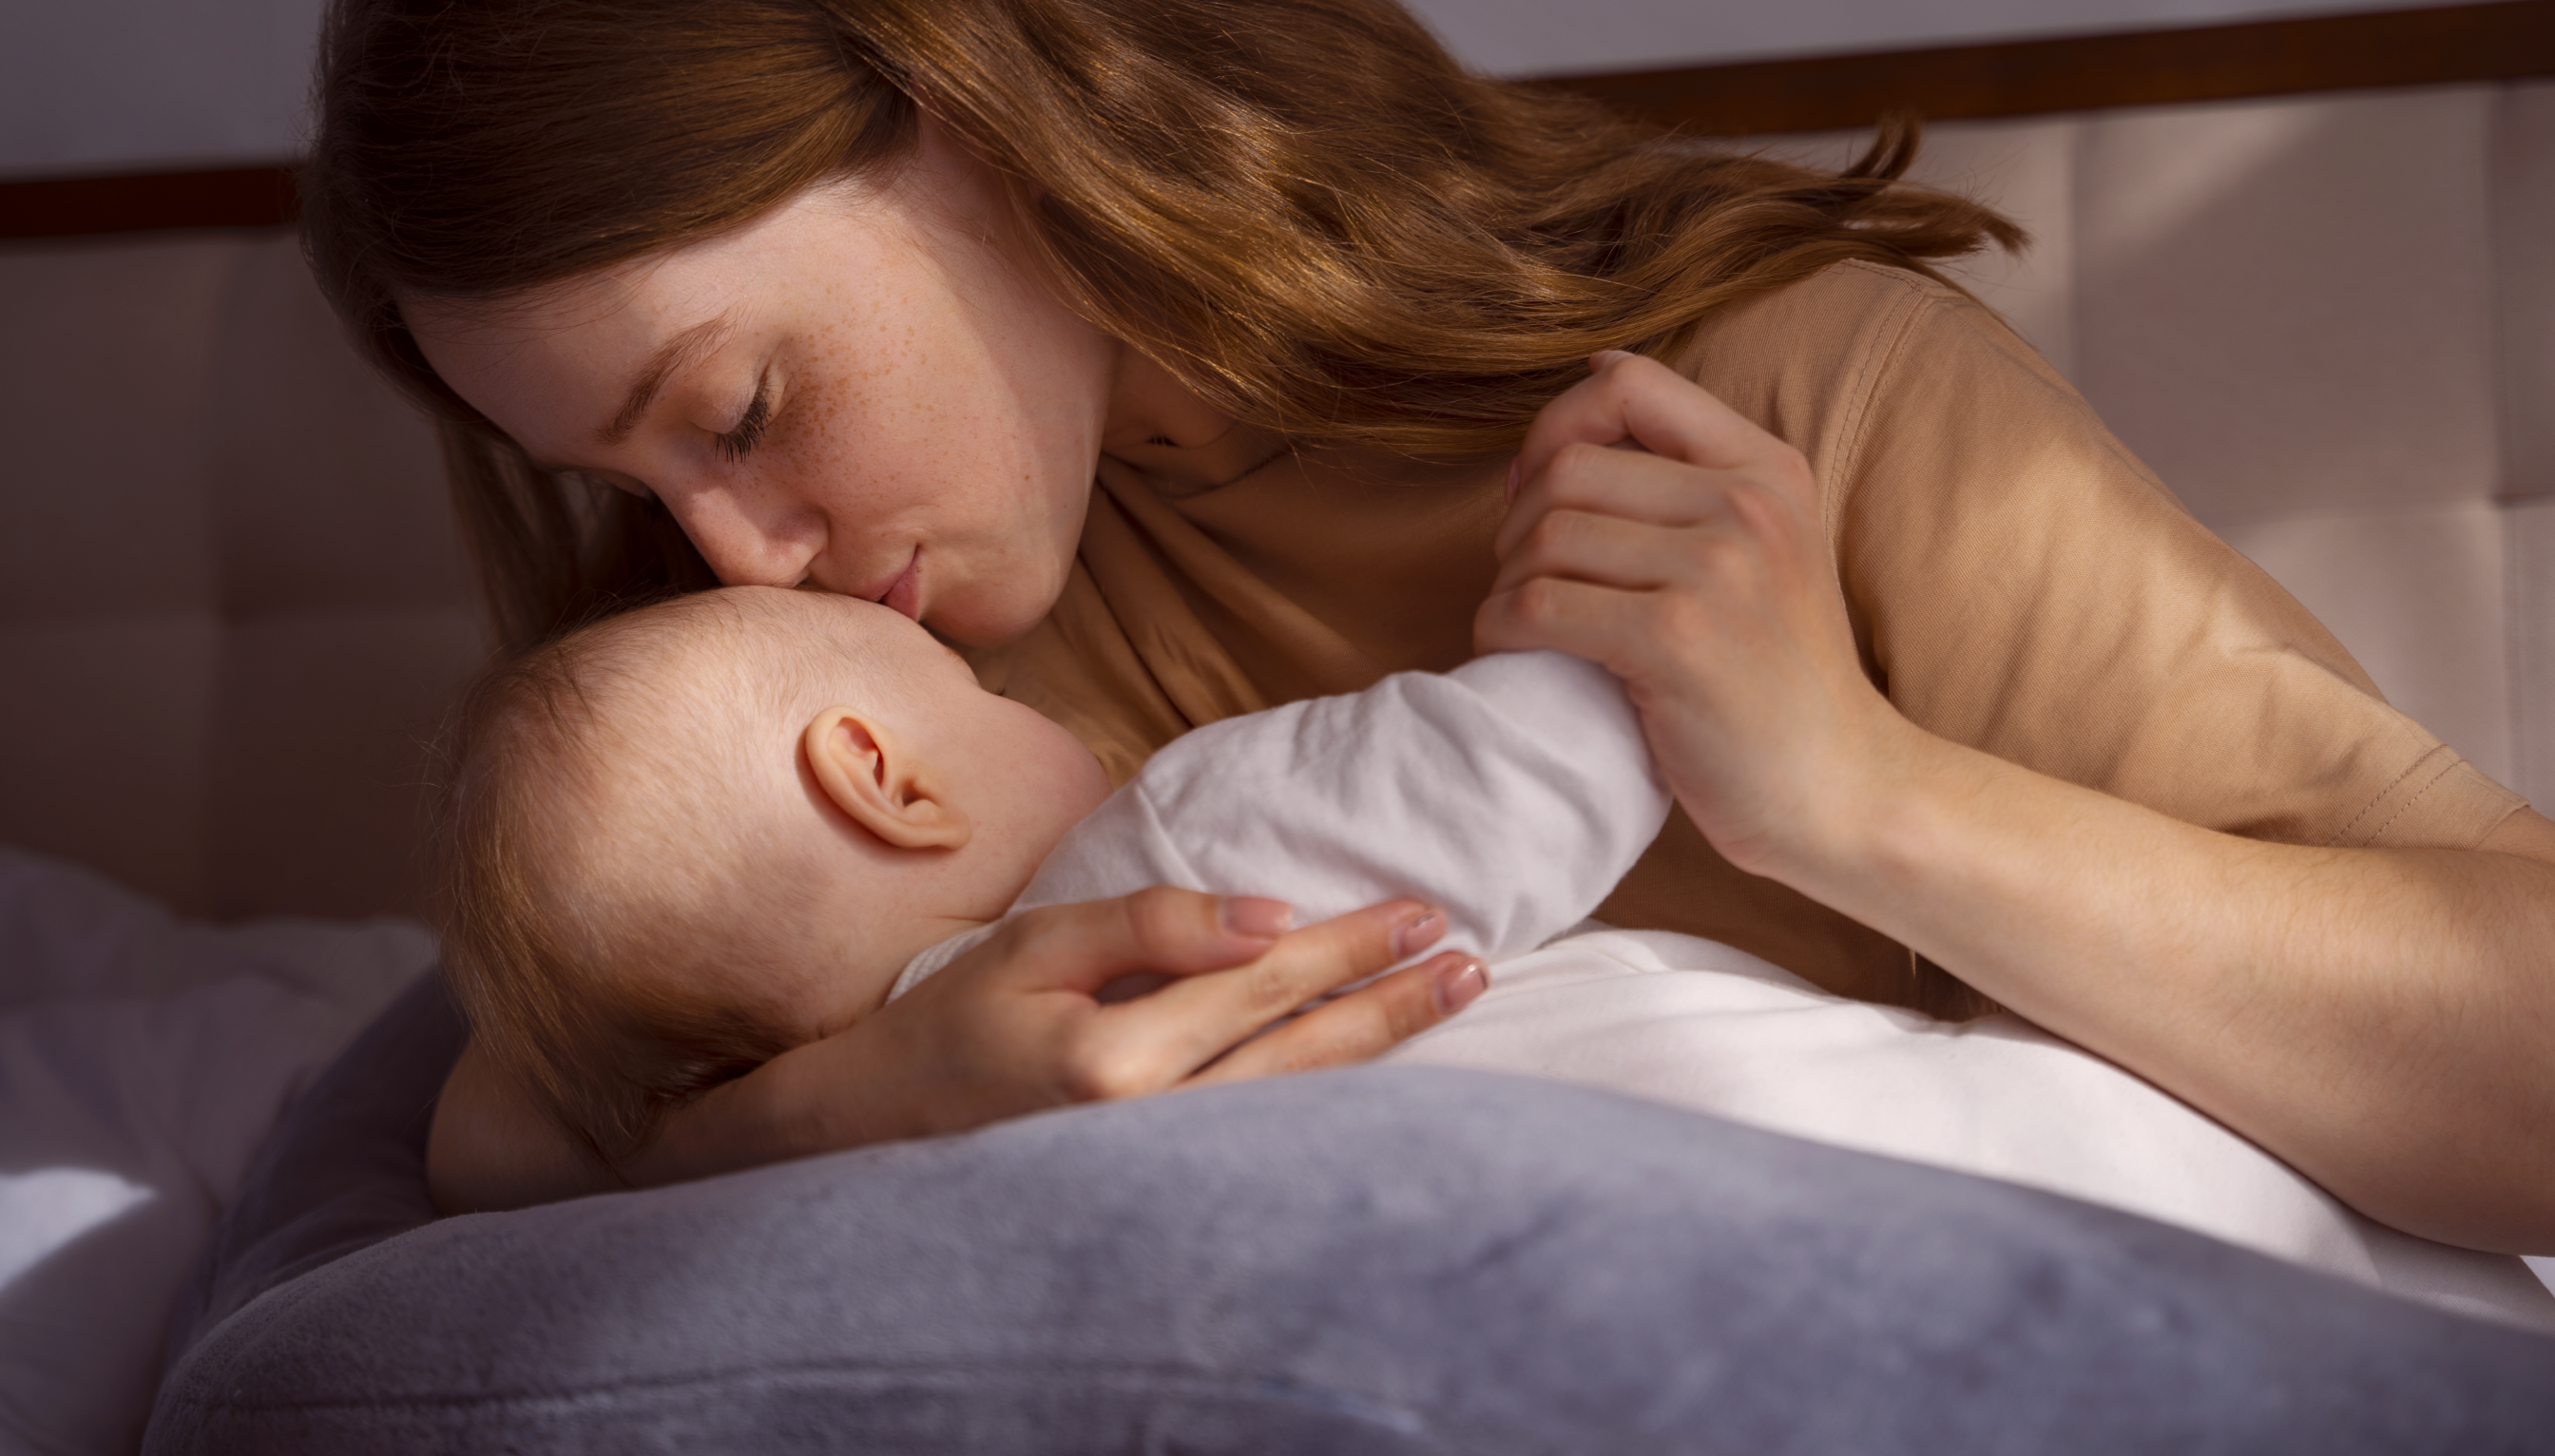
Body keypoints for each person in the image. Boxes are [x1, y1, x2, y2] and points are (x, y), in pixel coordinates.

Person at [303, 0, 2555, 1252]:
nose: (722, 552)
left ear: (973, 111)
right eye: (624, 474)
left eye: (737, 407)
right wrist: (860, 1104)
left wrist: (1855, 794)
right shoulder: (827, 665)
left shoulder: (1763, 402)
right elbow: (496, 1123)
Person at [436, 583, 2553, 1325]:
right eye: (953, 684)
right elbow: (1539, 758)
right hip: (1992, 1173)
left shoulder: (862, 1182)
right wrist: (1591, 634)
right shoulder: (1165, 844)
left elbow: (503, 1133)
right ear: (888, 783)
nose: (1027, 693)